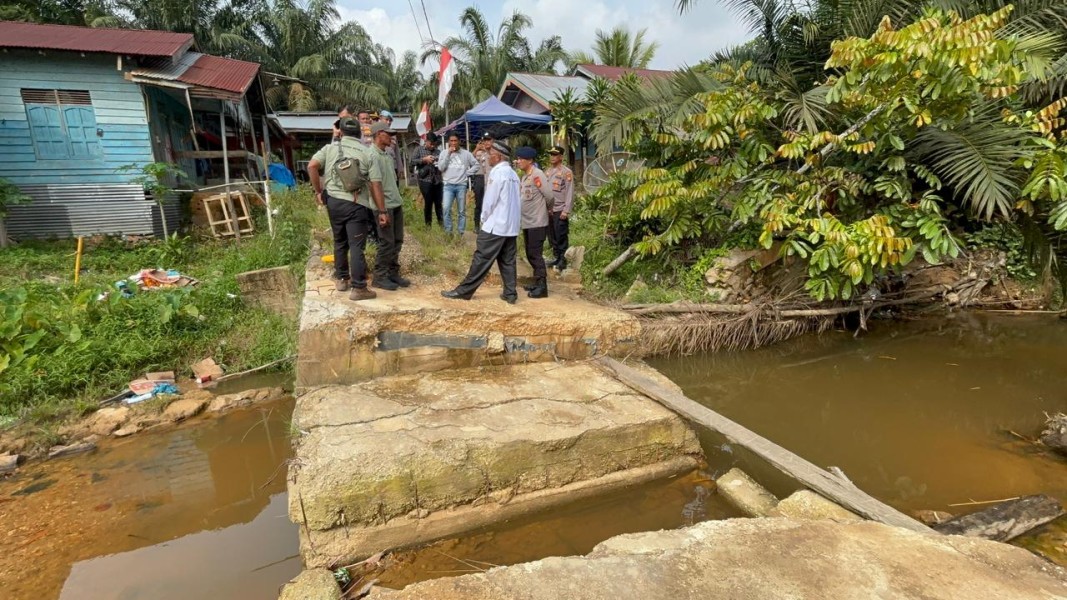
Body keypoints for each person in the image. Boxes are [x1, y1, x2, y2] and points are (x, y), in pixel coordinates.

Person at [308, 116, 379, 301]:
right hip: (356, 204)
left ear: (341, 132)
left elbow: (312, 166)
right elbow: (375, 184)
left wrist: (318, 191)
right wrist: (382, 209)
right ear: (360, 133)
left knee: (339, 241)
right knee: (356, 246)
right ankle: (359, 288)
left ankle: (341, 279)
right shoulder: (367, 152)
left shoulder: (330, 148)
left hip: (333, 202)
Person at [440, 141, 521, 303]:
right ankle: (510, 294)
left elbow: (490, 201)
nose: (487, 157)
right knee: (507, 261)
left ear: (498, 157)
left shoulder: (497, 173)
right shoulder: (513, 174)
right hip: (510, 226)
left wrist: (484, 219)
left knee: (481, 259)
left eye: (490, 154)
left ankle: (464, 291)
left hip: (495, 225)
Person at [367, 121, 410, 291]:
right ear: (379, 135)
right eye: (389, 134)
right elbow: (375, 184)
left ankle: (393, 273)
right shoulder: (373, 156)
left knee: (397, 240)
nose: (392, 137)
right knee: (386, 242)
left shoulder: (386, 154)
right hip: (384, 206)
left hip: (395, 202)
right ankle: (380, 276)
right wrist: (382, 211)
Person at [514, 146, 553, 298]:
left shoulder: (538, 175)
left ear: (529, 160)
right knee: (530, 253)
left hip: (537, 221)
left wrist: (548, 210)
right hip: (527, 221)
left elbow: (549, 196)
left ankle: (543, 287)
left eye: (520, 159)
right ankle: (537, 282)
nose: (518, 161)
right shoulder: (525, 177)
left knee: (536, 254)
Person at [437, 133, 481, 235]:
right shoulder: (443, 153)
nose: (453, 143)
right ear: (448, 142)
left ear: (459, 142)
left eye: (455, 141)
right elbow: (441, 168)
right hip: (448, 185)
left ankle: (460, 232)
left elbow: (476, 165)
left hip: (461, 185)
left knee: (461, 211)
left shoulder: (466, 154)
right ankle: (449, 232)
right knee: (446, 208)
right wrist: (448, 153)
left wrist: (467, 173)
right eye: (451, 141)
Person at [545, 145, 575, 271]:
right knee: (552, 236)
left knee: (561, 235)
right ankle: (556, 257)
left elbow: (570, 192)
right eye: (551, 154)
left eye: (555, 154)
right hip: (549, 210)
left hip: (560, 209)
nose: (552, 157)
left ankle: (563, 260)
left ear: (561, 157)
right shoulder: (547, 172)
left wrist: (566, 210)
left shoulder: (566, 172)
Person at [410, 133, 443, 227]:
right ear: (426, 141)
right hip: (425, 179)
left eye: (434, 144)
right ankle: (428, 226)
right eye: (431, 143)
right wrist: (424, 160)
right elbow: (412, 161)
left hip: (437, 180)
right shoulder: (419, 150)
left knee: (438, 203)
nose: (432, 146)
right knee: (428, 202)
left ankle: (441, 225)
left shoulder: (438, 152)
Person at [471, 132, 493, 229]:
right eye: (484, 140)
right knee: (479, 202)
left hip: (490, 179)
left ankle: (488, 224)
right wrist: (477, 149)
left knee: (490, 202)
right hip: (479, 178)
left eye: (488, 140)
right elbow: (470, 159)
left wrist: (487, 150)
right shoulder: (479, 153)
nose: (486, 143)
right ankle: (476, 224)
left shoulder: (494, 152)